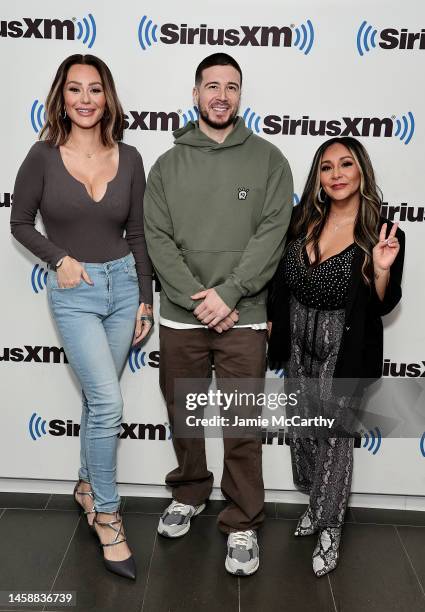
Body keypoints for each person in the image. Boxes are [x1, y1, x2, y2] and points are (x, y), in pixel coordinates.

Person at [144, 52, 293, 576]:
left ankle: (244, 521)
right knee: (184, 419)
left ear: (240, 95)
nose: (221, 95)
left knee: (241, 426)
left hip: (244, 317)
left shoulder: (270, 160)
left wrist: (229, 294)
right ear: (195, 93)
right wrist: (198, 299)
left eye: (231, 86)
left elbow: (272, 235)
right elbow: (158, 240)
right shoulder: (166, 165)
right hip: (183, 318)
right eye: (212, 85)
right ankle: (189, 492)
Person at [11, 54, 153, 580]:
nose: (86, 99)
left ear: (107, 97)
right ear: (62, 97)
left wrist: (145, 297)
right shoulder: (42, 156)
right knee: (109, 402)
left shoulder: (132, 156)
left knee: (99, 402)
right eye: (76, 90)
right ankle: (110, 518)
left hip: (122, 287)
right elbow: (20, 223)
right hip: (74, 291)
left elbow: (137, 233)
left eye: (95, 89)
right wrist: (60, 259)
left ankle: (85, 486)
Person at [267, 136, 405, 577]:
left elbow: (383, 305)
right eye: (327, 167)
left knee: (335, 438)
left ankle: (330, 526)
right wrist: (273, 324)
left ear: (361, 171)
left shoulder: (382, 233)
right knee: (304, 431)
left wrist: (381, 269)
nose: (337, 174)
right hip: (296, 337)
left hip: (341, 347)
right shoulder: (301, 219)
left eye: (346, 164)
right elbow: (280, 281)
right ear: (319, 178)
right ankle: (315, 501)